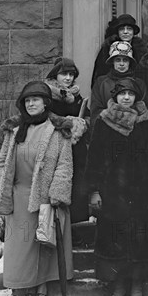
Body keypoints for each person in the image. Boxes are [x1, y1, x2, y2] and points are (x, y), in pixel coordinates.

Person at [0, 81, 74, 296]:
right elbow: (3, 162)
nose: (31, 104)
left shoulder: (58, 131)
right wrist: (0, 188)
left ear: (46, 102)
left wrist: (56, 193)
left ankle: (42, 291)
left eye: (35, 100)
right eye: (27, 101)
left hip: (45, 195)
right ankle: (24, 290)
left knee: (43, 244)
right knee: (21, 246)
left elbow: (64, 165)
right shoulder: (15, 130)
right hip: (18, 195)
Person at [85, 78, 148, 296]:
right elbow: (95, 158)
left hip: (140, 193)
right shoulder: (104, 122)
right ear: (115, 97)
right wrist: (94, 190)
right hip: (112, 193)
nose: (126, 98)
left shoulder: (146, 122)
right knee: (115, 240)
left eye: (131, 94)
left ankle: (137, 287)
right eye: (122, 94)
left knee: (139, 240)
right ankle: (118, 287)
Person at [44, 57, 90, 242]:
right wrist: (68, 123)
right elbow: (45, 118)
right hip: (55, 147)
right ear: (55, 75)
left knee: (77, 186)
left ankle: (75, 232)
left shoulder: (76, 96)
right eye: (64, 74)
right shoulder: (47, 94)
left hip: (76, 149)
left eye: (72, 74)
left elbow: (88, 117)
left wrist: (83, 123)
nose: (68, 78)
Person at [89, 41, 147, 127]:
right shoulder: (101, 82)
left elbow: (143, 110)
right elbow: (95, 110)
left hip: (134, 131)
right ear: (112, 62)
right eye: (118, 60)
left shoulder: (139, 83)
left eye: (125, 60)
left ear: (130, 62)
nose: (122, 64)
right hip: (106, 130)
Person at [91, 14, 147, 86]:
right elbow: (99, 72)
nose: (125, 32)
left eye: (129, 29)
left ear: (133, 32)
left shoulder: (141, 50)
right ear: (118, 31)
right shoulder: (107, 48)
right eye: (122, 29)